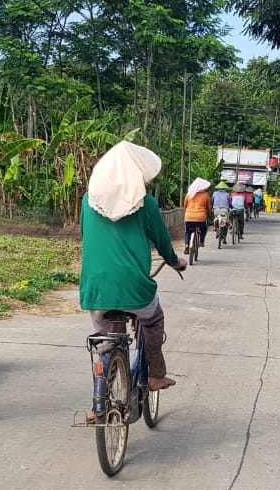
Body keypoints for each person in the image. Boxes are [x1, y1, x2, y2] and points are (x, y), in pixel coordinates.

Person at [80, 141, 186, 395]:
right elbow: (162, 241)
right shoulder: (146, 204)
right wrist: (174, 261)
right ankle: (157, 375)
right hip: (135, 288)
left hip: (95, 289)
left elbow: (87, 235)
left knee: (108, 342)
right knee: (153, 319)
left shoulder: (88, 201)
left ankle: (101, 400)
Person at [183, 177, 212, 254]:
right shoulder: (206, 195)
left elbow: (185, 206)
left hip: (189, 217)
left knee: (188, 231)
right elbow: (208, 207)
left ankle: (186, 245)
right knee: (204, 228)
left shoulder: (189, 194)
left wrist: (187, 214)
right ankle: (201, 241)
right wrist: (209, 214)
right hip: (201, 217)